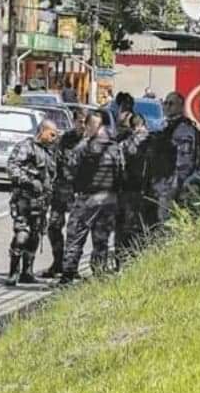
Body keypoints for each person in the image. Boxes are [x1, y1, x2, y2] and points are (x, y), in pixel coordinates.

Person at [60, 112, 123, 285]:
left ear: (89, 126)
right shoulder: (115, 147)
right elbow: (121, 171)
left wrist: (74, 188)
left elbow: (69, 168)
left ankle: (68, 274)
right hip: (109, 198)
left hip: (88, 198)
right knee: (101, 239)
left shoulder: (84, 146)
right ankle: (99, 274)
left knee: (75, 235)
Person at [4, 119, 58, 286]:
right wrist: (28, 181)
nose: (54, 137)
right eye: (52, 134)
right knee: (22, 235)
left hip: (41, 202)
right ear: (42, 131)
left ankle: (27, 272)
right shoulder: (26, 147)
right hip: (24, 200)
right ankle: (13, 272)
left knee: (35, 235)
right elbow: (12, 167)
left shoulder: (50, 151)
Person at [38, 109, 86, 278]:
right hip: (61, 191)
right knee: (54, 227)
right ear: (74, 122)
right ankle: (58, 262)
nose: (82, 125)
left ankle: (71, 267)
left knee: (76, 231)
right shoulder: (64, 140)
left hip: (80, 194)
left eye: (85, 122)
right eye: (80, 121)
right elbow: (51, 160)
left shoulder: (91, 142)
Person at [148, 93, 200, 224]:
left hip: (171, 186)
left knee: (167, 224)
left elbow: (185, 162)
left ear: (181, 106)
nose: (167, 107)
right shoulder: (166, 127)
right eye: (165, 103)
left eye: (171, 104)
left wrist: (175, 187)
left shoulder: (184, 129)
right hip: (160, 184)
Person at [114, 112, 150, 267]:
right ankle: (137, 264)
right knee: (139, 229)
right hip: (145, 191)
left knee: (122, 229)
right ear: (143, 124)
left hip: (125, 190)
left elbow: (117, 167)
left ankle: (121, 263)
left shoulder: (123, 144)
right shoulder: (151, 141)